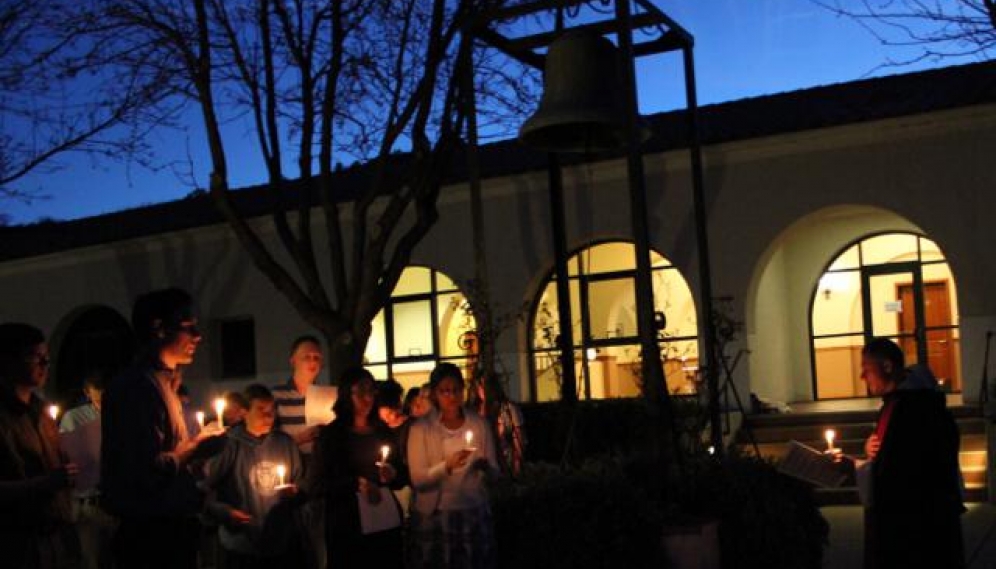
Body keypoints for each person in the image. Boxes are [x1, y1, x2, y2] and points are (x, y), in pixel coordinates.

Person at [101, 287, 224, 569]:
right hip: (151, 539)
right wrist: (195, 448)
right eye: (188, 325)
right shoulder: (136, 389)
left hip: (173, 529)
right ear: (158, 328)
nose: (198, 335)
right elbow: (144, 470)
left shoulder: (166, 384)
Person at [855, 338, 964, 569]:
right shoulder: (910, 403)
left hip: (914, 528)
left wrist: (858, 468)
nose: (862, 377)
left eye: (866, 369)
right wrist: (870, 450)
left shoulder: (914, 409)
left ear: (886, 367)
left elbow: (904, 473)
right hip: (921, 521)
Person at [308, 367, 407, 569]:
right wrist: (356, 483)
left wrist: (393, 474)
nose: (368, 397)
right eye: (361, 391)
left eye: (371, 391)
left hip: (383, 523)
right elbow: (317, 484)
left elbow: (402, 476)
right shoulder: (332, 436)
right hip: (348, 528)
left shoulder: (383, 431)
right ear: (346, 394)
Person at [0, 322, 81, 569]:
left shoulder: (42, 413)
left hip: (57, 537)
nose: (45, 364)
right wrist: (45, 483)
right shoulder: (4, 418)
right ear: (8, 361)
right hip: (16, 544)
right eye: (35, 358)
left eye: (47, 357)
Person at [407, 363, 499, 569]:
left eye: (456, 389)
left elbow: (495, 472)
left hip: (472, 509)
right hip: (436, 514)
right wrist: (446, 466)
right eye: (444, 390)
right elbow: (418, 479)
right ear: (435, 394)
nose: (451, 396)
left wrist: (485, 467)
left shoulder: (478, 424)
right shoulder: (421, 429)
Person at [204, 384, 305, 568]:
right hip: (241, 544)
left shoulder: (285, 444)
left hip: (279, 542)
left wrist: (295, 492)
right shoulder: (228, 445)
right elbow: (205, 490)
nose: (269, 416)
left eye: (272, 410)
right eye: (260, 409)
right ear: (244, 412)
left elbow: (301, 484)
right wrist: (225, 512)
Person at [60, 369, 115, 569]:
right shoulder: (74, 418)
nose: (102, 396)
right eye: (97, 392)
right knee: (90, 560)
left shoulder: (121, 414)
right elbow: (66, 454)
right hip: (88, 502)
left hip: (115, 502)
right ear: (87, 392)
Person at [469, 379, 526, 475]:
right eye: (480, 386)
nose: (483, 389)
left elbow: (518, 436)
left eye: (485, 385)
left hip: (506, 461)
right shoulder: (475, 411)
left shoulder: (508, 408)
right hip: (483, 465)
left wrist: (517, 461)